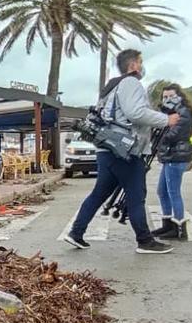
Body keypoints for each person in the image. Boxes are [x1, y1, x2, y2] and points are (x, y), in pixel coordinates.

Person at [65, 49, 180, 254]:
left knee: (99, 193)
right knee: (136, 194)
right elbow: (135, 113)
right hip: (124, 151)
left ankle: (76, 232)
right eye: (140, 62)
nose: (142, 66)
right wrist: (166, 120)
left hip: (107, 149)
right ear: (134, 65)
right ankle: (145, 241)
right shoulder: (130, 83)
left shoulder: (111, 86)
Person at [151, 84, 192, 240]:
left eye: (171, 96)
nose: (167, 99)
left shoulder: (183, 112)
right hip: (171, 156)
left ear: (179, 96)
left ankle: (179, 229)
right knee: (162, 191)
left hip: (177, 156)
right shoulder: (170, 113)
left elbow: (174, 134)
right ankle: (168, 225)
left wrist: (158, 138)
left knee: (173, 192)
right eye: (165, 97)